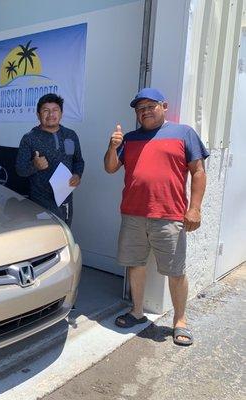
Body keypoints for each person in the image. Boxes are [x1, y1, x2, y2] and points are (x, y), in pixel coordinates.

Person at [104, 88, 209, 346]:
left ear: (164, 106)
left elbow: (198, 171)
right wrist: (112, 146)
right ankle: (137, 312)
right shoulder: (129, 138)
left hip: (170, 215)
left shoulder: (184, 133)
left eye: (151, 106)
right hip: (133, 214)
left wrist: (194, 208)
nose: (145, 112)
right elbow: (110, 168)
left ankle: (180, 321)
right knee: (135, 264)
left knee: (175, 271)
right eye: (140, 109)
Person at [15, 93, 84, 226]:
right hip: (40, 203)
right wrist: (34, 165)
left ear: (61, 113)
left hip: (65, 200)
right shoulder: (29, 138)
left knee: (65, 235)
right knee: (45, 239)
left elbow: (78, 161)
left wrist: (77, 174)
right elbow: (20, 170)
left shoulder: (71, 135)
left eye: (55, 110)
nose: (51, 114)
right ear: (38, 114)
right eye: (46, 110)